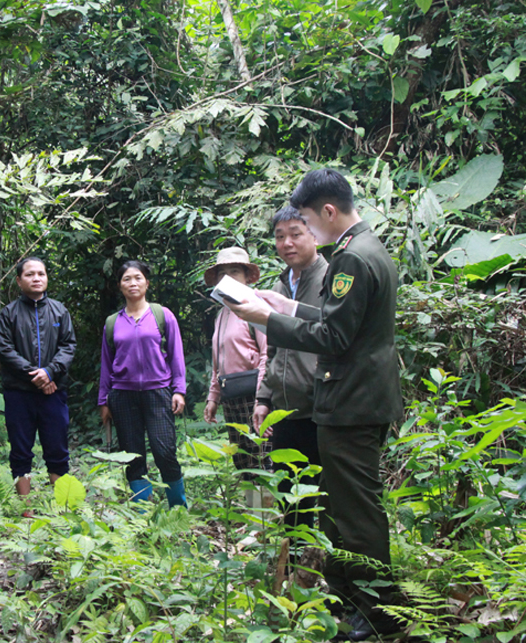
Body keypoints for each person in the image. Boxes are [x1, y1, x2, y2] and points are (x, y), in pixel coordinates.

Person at [227, 169, 403, 641]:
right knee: (344, 509)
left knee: (355, 514)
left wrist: (267, 320)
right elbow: (334, 319)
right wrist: (282, 309)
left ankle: (381, 613)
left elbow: (335, 336)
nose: (301, 231)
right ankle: (357, 606)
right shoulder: (368, 248)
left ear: (327, 212)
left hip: (351, 402)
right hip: (358, 398)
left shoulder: (348, 259)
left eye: (304, 220)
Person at [253, 206, 328, 532]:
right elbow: (274, 350)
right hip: (285, 411)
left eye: (295, 234)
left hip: (322, 408)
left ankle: (327, 570)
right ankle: (294, 565)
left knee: (323, 495)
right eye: (280, 236)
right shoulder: (282, 286)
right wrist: (264, 398)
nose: (287, 243)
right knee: (289, 498)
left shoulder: (331, 280)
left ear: (314, 233)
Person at [98, 260, 188, 508]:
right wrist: (103, 400)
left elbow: (176, 354)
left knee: (165, 451)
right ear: (120, 285)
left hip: (158, 391)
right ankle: (140, 511)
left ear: (147, 283)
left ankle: (177, 509)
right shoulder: (112, 322)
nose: (133, 283)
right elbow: (107, 364)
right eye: (127, 279)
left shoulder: (162, 315)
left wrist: (179, 390)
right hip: (122, 395)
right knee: (132, 455)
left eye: (138, 278)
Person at [0, 257, 76, 507]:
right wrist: (38, 376)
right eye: (29, 274)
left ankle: (60, 505)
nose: (36, 278)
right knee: (20, 449)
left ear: (47, 278)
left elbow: (69, 345)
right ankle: (25, 508)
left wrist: (50, 372)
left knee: (57, 448)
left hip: (54, 393)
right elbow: (5, 350)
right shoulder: (8, 313)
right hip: (19, 393)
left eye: (41, 273)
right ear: (19, 280)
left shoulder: (59, 311)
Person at [202, 247, 268, 475]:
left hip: (254, 395)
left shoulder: (255, 307)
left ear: (247, 277)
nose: (227, 278)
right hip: (231, 398)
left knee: (263, 457)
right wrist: (213, 397)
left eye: (234, 271)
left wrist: (263, 397)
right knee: (242, 460)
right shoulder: (222, 314)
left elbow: (268, 354)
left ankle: (267, 511)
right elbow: (217, 362)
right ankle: (252, 507)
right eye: (222, 273)